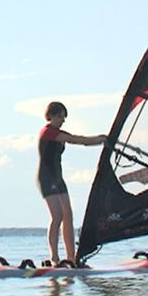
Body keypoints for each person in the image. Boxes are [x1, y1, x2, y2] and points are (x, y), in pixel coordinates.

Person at [37, 101, 107, 267]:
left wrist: (102, 139)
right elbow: (78, 140)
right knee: (57, 216)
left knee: (68, 214)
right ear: (52, 116)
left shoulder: (58, 132)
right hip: (47, 178)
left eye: (64, 117)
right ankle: (54, 257)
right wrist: (100, 139)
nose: (63, 119)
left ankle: (71, 257)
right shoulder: (47, 132)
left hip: (58, 178)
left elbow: (77, 139)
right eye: (60, 116)